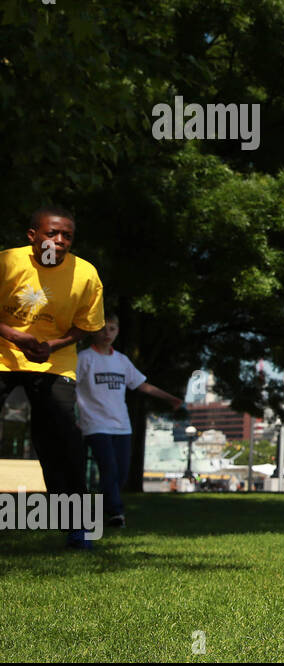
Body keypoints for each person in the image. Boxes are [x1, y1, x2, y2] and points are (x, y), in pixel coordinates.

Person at [0, 208, 105, 549]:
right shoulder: (7, 263)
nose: (59, 241)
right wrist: (18, 338)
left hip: (53, 360)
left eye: (67, 236)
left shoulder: (86, 274)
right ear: (33, 235)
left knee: (61, 440)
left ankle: (77, 526)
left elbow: (87, 326)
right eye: (51, 233)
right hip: (2, 353)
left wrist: (52, 345)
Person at [76, 313, 185, 527]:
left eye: (112, 329)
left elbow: (141, 384)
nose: (107, 333)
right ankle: (116, 514)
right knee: (109, 469)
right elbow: (70, 387)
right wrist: (73, 416)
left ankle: (100, 508)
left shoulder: (121, 360)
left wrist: (169, 398)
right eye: (102, 328)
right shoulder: (84, 358)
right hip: (95, 424)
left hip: (121, 426)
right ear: (93, 330)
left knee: (122, 474)